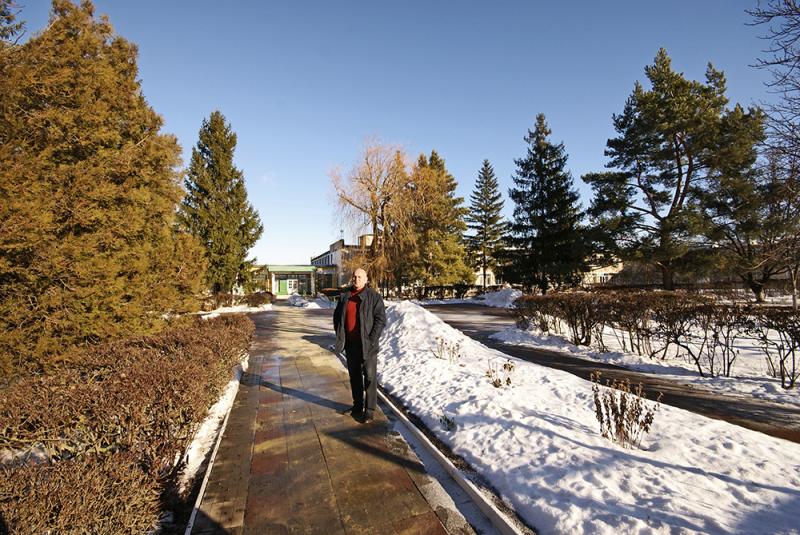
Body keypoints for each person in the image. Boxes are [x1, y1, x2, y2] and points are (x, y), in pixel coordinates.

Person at [333, 268, 386, 423]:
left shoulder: (374, 297)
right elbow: (337, 317)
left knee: (369, 377)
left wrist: (371, 339)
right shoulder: (345, 296)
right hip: (351, 345)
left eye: (359, 277)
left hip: (368, 346)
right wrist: (340, 335)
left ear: (366, 278)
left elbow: (380, 319)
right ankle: (357, 406)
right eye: (354, 277)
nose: (356, 279)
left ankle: (369, 410)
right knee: (354, 377)